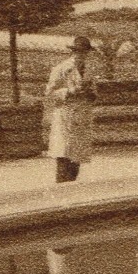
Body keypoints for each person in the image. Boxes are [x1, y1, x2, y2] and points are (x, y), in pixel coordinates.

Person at [45, 36, 97, 183]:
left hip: (81, 115)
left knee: (77, 155)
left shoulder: (88, 70)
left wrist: (90, 93)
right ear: (73, 52)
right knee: (64, 153)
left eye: (84, 52)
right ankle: (62, 187)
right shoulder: (62, 68)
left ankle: (72, 187)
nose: (81, 55)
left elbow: (94, 93)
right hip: (65, 114)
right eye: (78, 52)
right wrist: (69, 91)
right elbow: (49, 93)